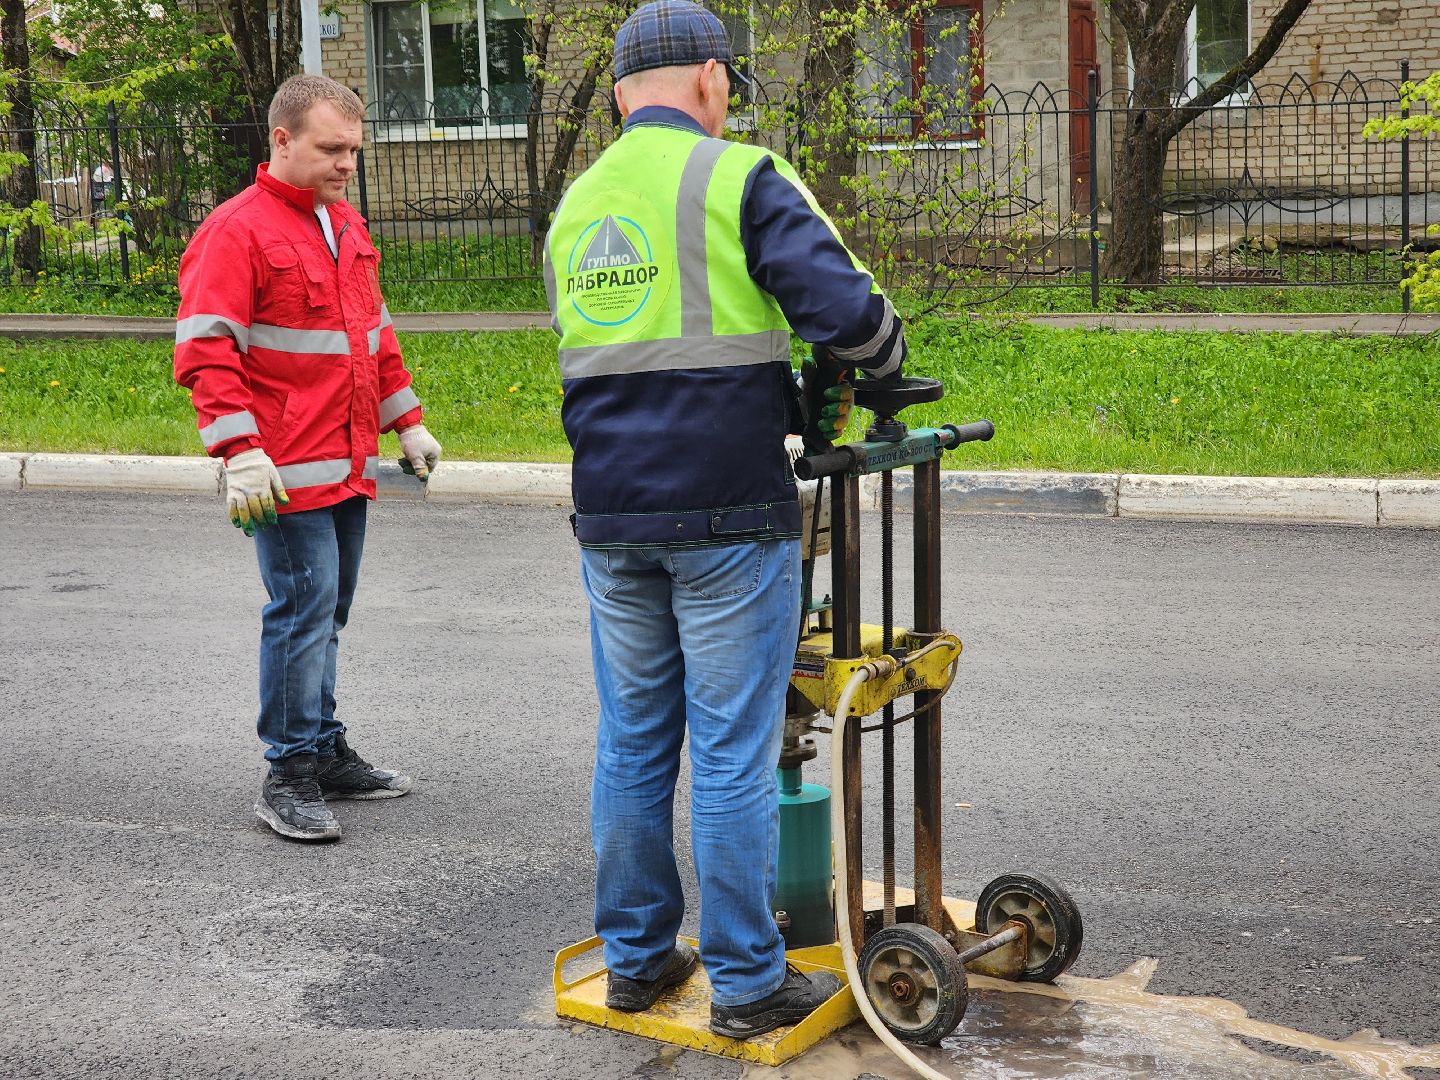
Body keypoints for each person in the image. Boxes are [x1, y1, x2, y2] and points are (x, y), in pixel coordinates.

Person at [544, 0, 906, 1041]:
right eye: (726, 88)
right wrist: (882, 366)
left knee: (632, 745)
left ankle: (637, 959)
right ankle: (748, 984)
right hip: (728, 520)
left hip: (611, 517)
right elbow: (848, 312)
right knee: (734, 753)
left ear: (619, 96)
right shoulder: (740, 175)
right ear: (711, 80)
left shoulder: (576, 206)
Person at [174, 75, 442, 843]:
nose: (346, 163)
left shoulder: (344, 225)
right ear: (282, 140)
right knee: (301, 612)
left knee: (327, 612)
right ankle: (287, 772)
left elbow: (374, 340)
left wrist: (407, 423)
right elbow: (205, 351)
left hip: (345, 463)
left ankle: (321, 750)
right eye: (331, 148)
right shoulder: (237, 231)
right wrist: (239, 450)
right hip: (280, 470)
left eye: (354, 149)